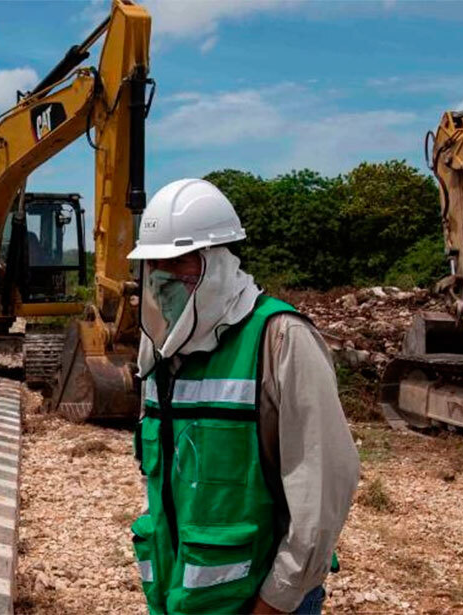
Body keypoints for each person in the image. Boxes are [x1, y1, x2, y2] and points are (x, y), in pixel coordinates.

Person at [125, 178, 359, 614]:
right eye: (154, 265)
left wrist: (276, 600)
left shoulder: (281, 339)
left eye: (177, 264)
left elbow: (322, 493)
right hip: (182, 599)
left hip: (263, 604)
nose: (161, 279)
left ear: (213, 262)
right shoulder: (157, 351)